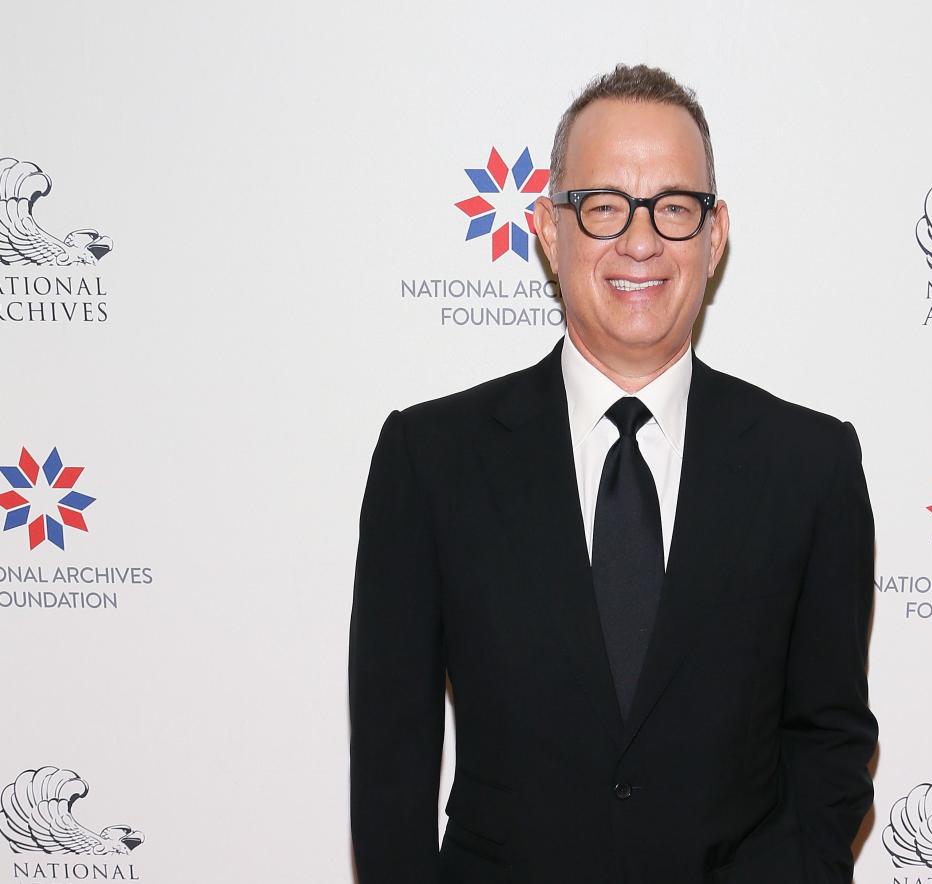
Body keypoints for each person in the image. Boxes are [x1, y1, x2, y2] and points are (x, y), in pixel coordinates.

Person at [349, 63, 878, 884]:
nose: (641, 241)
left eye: (675, 207)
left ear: (715, 233)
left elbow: (831, 736)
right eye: (605, 207)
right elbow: (392, 755)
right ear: (551, 231)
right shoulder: (431, 460)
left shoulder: (810, 465)